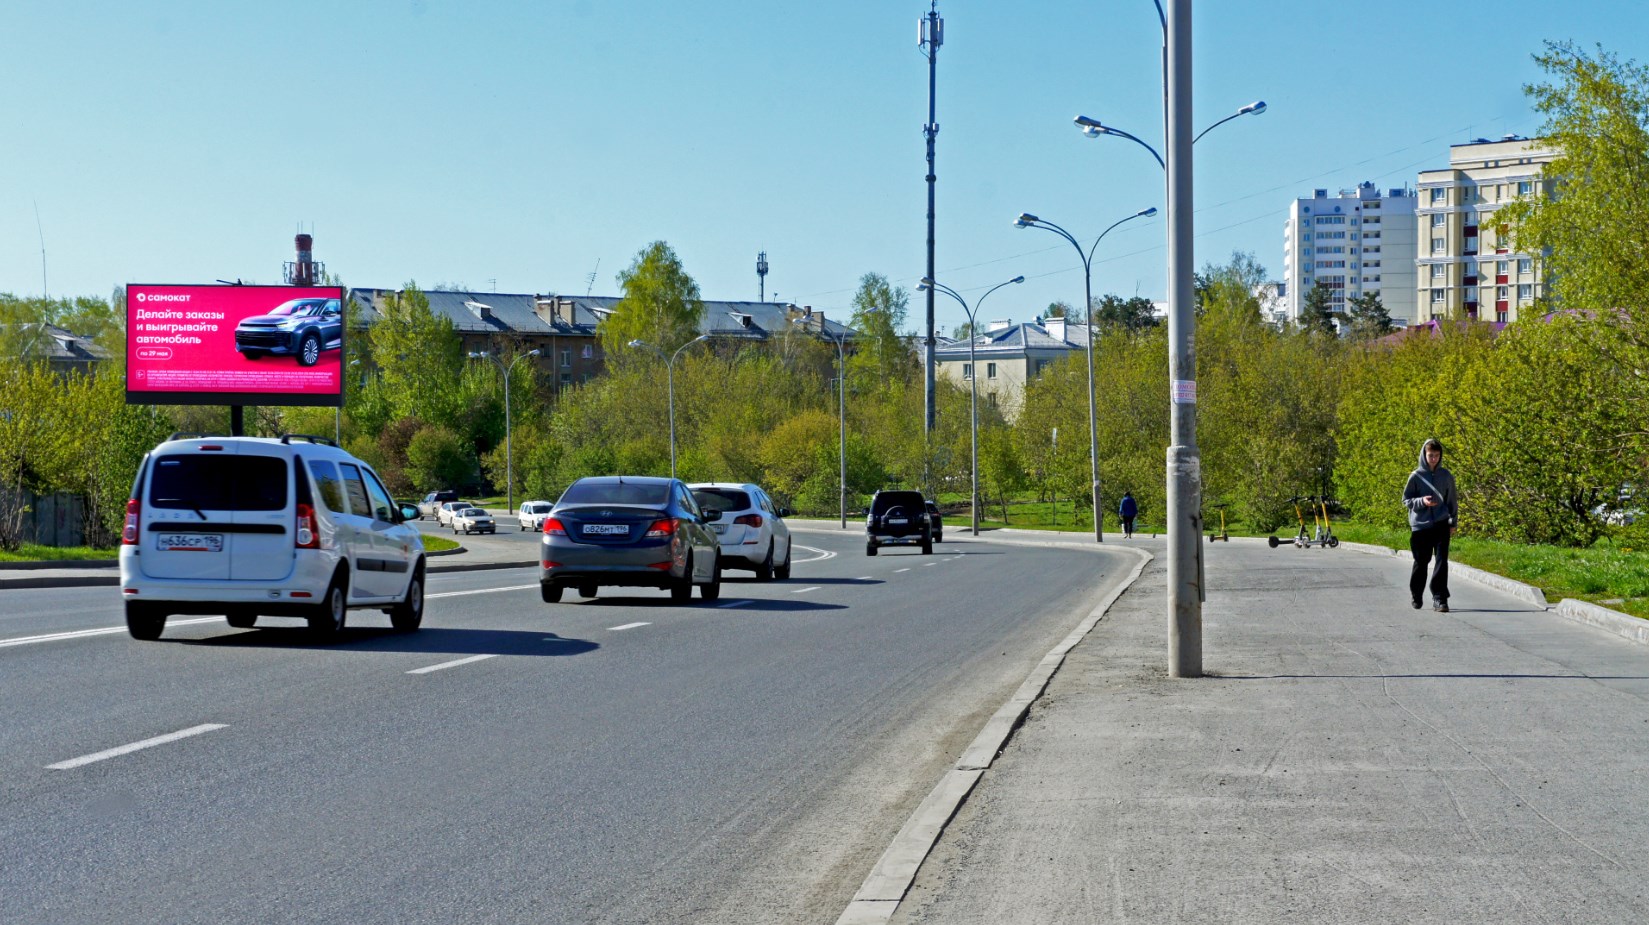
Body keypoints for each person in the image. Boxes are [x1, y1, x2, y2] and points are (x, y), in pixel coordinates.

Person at [1403, 437, 1458, 612]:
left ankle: (1440, 598)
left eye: (1436, 455)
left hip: (1441, 524)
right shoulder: (1416, 476)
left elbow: (1452, 501)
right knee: (1421, 561)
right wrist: (1422, 502)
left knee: (1442, 561)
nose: (1433, 459)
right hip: (1421, 526)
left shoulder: (1446, 476)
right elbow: (1406, 500)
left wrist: (1453, 522)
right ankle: (1416, 594)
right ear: (1424, 455)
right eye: (1430, 455)